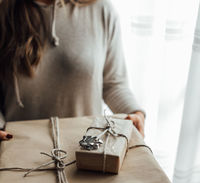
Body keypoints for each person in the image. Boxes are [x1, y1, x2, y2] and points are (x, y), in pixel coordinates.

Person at [0, 0, 145, 141]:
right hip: (18, 151)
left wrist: (134, 113)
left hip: (86, 149)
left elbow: (113, 84)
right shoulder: (4, 12)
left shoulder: (102, 10)